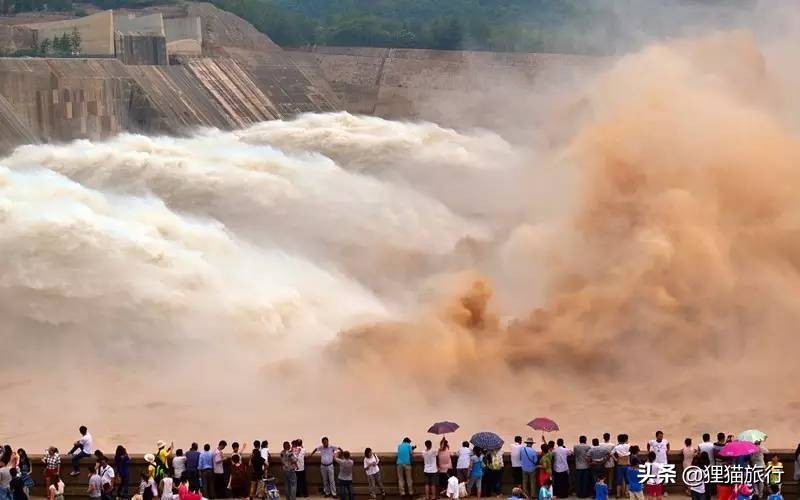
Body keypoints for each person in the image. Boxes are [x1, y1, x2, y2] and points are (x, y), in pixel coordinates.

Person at [613, 435, 631, 500]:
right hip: (627, 464)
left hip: (619, 464)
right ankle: (627, 493)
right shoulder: (628, 445)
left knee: (619, 480)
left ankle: (618, 494)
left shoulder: (617, 447)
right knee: (627, 480)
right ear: (625, 440)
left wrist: (615, 459)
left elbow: (611, 454)